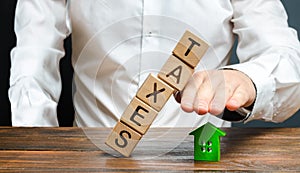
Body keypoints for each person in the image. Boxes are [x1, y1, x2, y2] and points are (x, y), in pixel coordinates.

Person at [9, 0, 300, 127]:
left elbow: (287, 60)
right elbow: (33, 61)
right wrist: (37, 154)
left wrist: (246, 81)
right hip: (92, 158)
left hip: (202, 158)